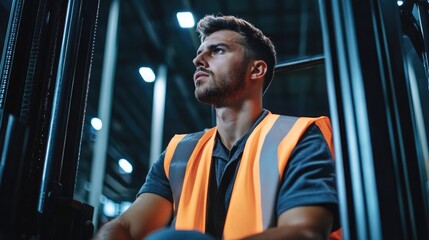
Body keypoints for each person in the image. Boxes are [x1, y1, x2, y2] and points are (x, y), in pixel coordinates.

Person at [94, 15, 341, 240]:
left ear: (256, 69)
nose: (198, 60)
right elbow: (126, 226)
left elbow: (305, 232)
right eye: (200, 52)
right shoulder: (180, 154)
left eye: (217, 51)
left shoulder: (299, 137)